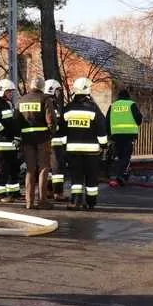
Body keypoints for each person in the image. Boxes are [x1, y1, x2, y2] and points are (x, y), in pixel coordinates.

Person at [61, 77, 108, 210]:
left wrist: (65, 146)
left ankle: (75, 201)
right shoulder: (93, 109)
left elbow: (62, 131)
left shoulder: (68, 109)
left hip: (72, 150)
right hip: (92, 151)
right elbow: (101, 129)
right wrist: (103, 145)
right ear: (87, 90)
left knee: (76, 178)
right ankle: (91, 202)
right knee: (91, 177)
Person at [17, 77, 58, 210]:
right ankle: (42, 200)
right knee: (43, 168)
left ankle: (29, 202)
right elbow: (50, 119)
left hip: (27, 140)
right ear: (42, 87)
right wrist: (51, 132)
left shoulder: (22, 99)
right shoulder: (45, 99)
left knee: (30, 169)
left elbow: (16, 120)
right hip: (42, 139)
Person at [0, 79, 21, 203]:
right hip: (2, 143)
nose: (10, 94)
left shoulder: (7, 104)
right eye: (8, 92)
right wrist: (3, 131)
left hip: (10, 143)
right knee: (1, 170)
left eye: (11, 92)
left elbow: (12, 122)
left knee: (13, 169)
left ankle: (13, 192)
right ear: (2, 91)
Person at [106, 89, 143, 186]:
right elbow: (138, 119)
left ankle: (121, 174)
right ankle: (120, 176)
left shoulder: (113, 106)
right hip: (129, 135)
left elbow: (107, 121)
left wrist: (109, 134)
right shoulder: (131, 104)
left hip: (116, 135)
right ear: (128, 96)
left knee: (120, 156)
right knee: (126, 156)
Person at [43, 79, 67, 201]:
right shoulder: (51, 103)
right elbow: (55, 123)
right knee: (58, 168)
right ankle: (58, 193)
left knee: (49, 167)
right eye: (57, 90)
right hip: (55, 141)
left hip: (46, 141)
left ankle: (48, 191)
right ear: (52, 90)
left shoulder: (44, 101)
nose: (59, 93)